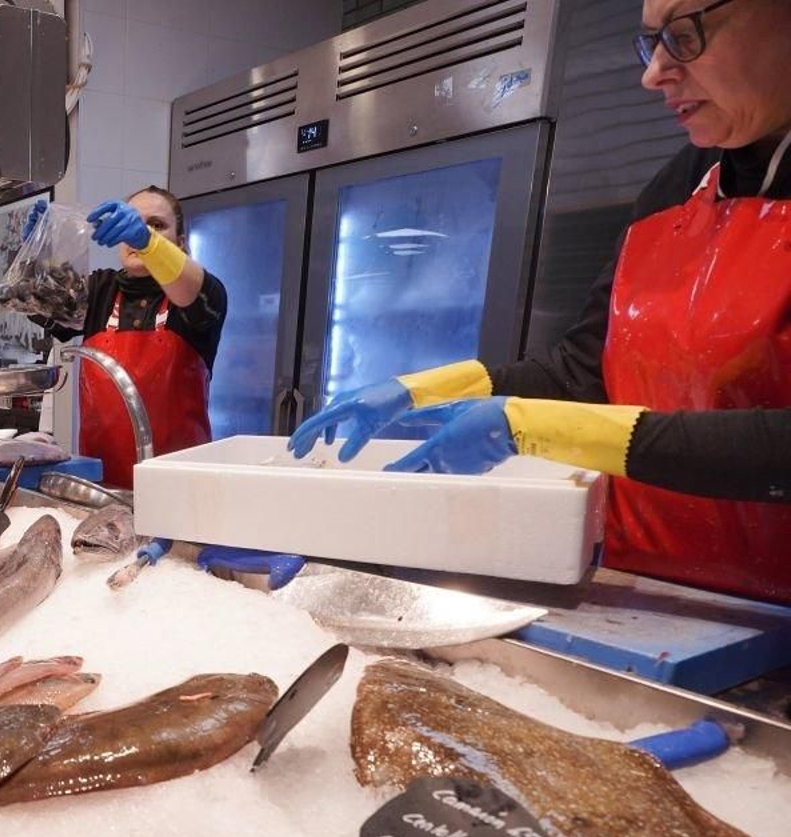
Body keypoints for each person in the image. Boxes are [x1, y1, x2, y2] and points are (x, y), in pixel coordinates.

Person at [290, 0, 791, 604]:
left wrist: (533, 427)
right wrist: (423, 390)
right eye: (652, 42)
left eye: (684, 35)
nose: (654, 72)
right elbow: (583, 372)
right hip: (646, 595)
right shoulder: (675, 189)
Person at [27, 187, 228, 488]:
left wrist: (149, 244)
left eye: (157, 225)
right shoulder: (98, 290)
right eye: (135, 224)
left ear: (181, 243)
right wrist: (34, 252)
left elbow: (194, 292)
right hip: (102, 489)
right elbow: (35, 303)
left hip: (181, 491)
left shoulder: (200, 293)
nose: (142, 233)